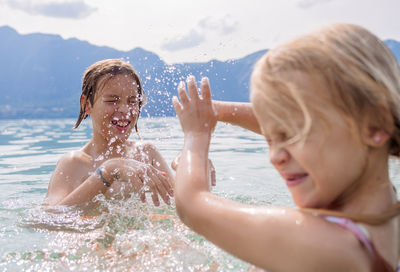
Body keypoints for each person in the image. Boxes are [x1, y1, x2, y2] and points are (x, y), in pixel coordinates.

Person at [172, 24, 400, 271]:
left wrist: (196, 135)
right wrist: (219, 111)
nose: (275, 156)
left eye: (294, 134)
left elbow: (192, 204)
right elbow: (302, 120)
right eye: (271, 138)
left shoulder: (326, 245)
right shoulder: (386, 210)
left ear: (376, 126)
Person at [44, 59, 174, 206]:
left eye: (132, 101)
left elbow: (183, 207)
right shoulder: (74, 163)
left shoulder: (147, 153)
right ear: (86, 105)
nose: (125, 110)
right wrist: (107, 172)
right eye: (112, 100)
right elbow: (46, 219)